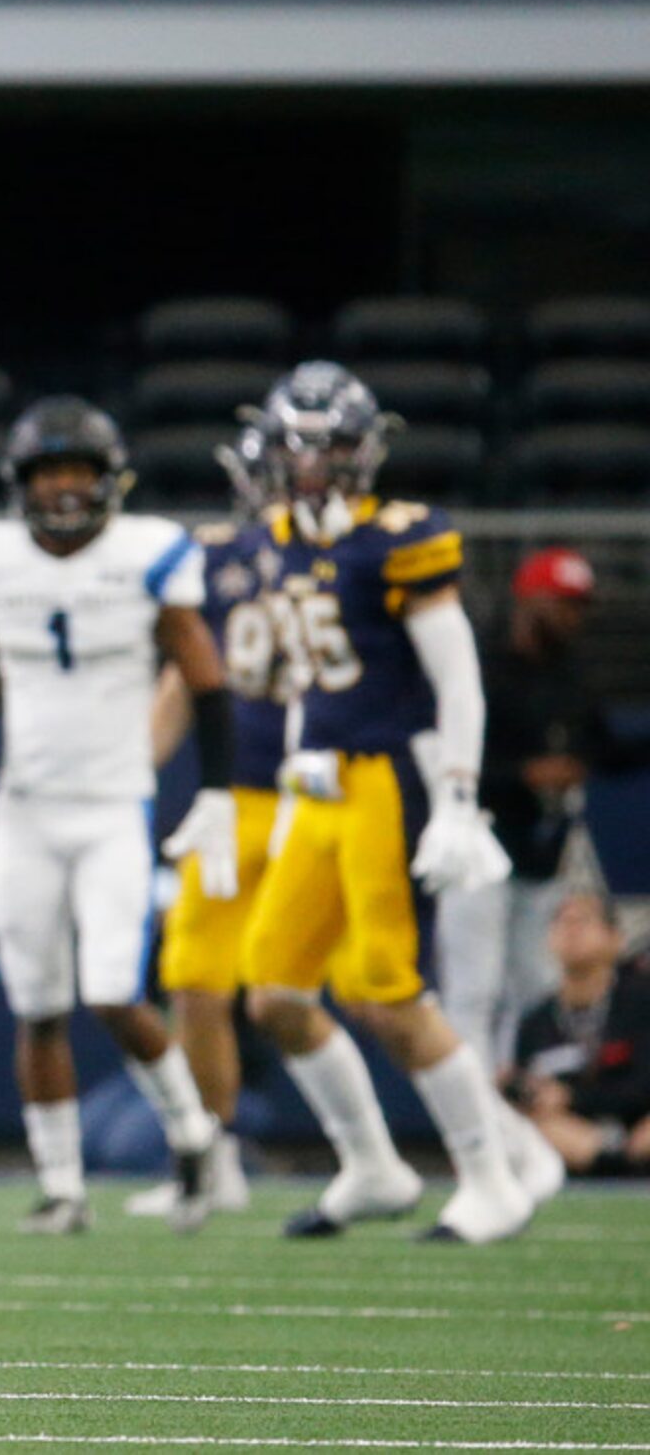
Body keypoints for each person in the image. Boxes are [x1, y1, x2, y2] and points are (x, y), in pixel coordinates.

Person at [239, 363, 563, 1244]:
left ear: (365, 451)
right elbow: (309, 675)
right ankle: (374, 1167)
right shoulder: (277, 537)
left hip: (387, 780)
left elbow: (459, 679)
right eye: (297, 448)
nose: (310, 466)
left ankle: (491, 1178)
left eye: (329, 447)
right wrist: (300, 754)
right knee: (272, 991)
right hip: (323, 783)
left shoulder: (398, 540)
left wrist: (458, 795)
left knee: (388, 990)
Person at [0, 397, 236, 1234]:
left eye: (77, 472)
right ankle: (62, 1187)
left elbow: (206, 678)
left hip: (113, 807)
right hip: (27, 811)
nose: (62, 489)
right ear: (20, 483)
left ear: (109, 480)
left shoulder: (149, 556)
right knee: (38, 1004)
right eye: (48, 472)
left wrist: (222, 789)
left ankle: (194, 1137)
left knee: (113, 990)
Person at [134, 422, 417, 1221]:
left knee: (368, 992)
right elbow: (181, 681)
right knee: (194, 979)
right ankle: (217, 1160)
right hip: (236, 801)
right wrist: (132, 779)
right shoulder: (219, 558)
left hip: (328, 794)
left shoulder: (350, 555)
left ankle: (455, 1152)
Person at [439, 547, 646, 1071]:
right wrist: (524, 774)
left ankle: (525, 1113)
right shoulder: (479, 666)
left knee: (537, 987)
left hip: (541, 855)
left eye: (580, 606)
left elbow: (602, 752)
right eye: (564, 604)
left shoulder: (571, 675)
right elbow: (441, 756)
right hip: (478, 848)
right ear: (530, 601)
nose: (575, 617)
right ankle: (475, 1117)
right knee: (474, 989)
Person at [513, 892, 650, 1175]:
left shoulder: (640, 1001)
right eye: (562, 921)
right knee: (528, 1124)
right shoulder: (536, 1021)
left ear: (616, 938)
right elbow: (531, 1093)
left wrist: (572, 1096)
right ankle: (609, 1161)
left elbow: (642, 1085)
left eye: (584, 921)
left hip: (640, 1126)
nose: (571, 929)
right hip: (576, 1140)